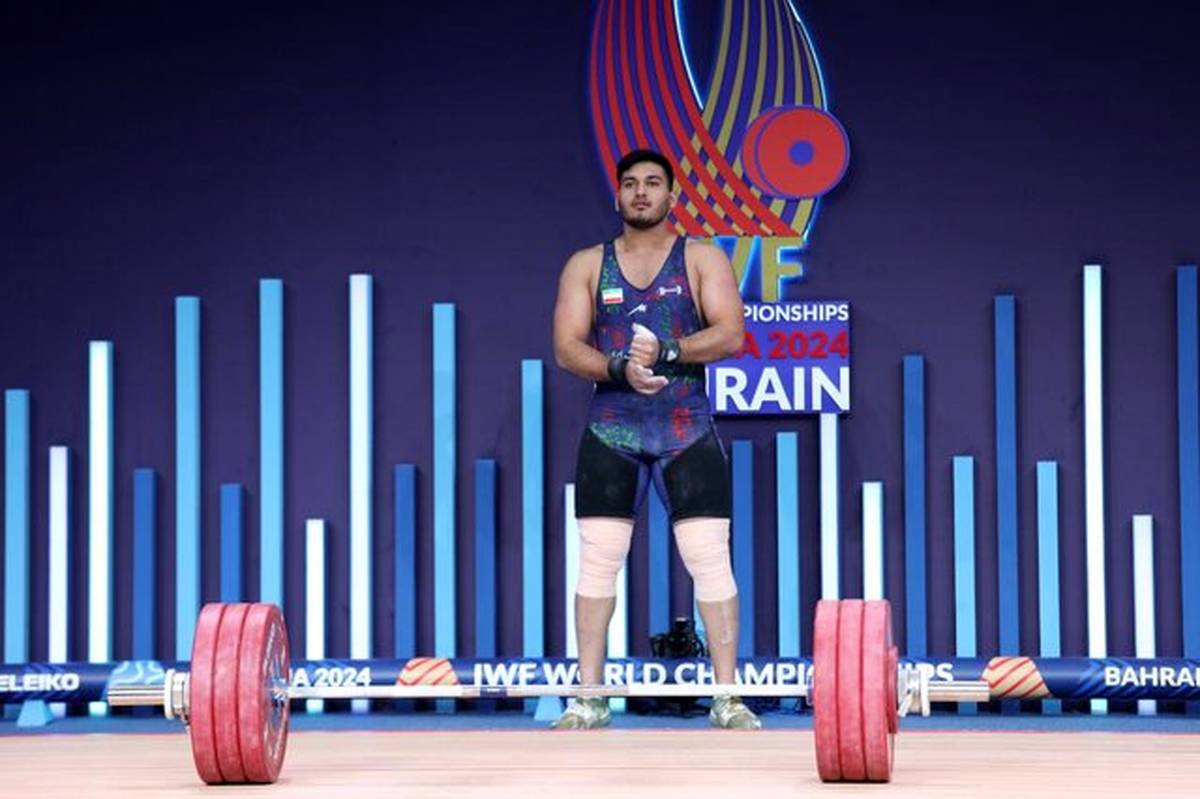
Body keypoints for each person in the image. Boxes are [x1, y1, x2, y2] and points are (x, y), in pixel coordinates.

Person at [550, 148, 758, 730]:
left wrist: (668, 351)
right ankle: (589, 698)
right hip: (611, 427)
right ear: (617, 195)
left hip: (684, 426)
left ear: (671, 195)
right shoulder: (586, 265)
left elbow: (731, 334)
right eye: (630, 184)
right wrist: (619, 368)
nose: (640, 192)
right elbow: (566, 347)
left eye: (652, 183)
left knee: (710, 560)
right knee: (597, 563)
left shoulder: (701, 257)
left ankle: (727, 697)